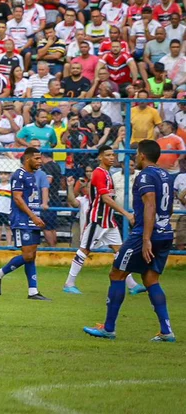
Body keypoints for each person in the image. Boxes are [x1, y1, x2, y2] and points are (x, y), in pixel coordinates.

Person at [85, 139, 176, 342]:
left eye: (136, 154)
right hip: (165, 232)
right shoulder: (166, 175)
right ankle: (167, 331)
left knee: (116, 274)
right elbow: (167, 207)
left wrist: (145, 238)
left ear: (142, 155)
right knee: (151, 279)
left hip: (146, 234)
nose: (135, 157)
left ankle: (108, 328)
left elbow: (150, 205)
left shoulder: (145, 176)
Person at [63, 146, 143, 295]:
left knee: (120, 251)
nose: (112, 157)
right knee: (84, 250)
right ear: (100, 157)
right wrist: (127, 213)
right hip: (97, 219)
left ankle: (132, 285)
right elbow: (105, 198)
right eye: (108, 155)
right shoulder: (99, 174)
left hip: (108, 220)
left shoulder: (107, 174)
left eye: (113, 155)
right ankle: (69, 283)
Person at [0, 147, 50, 300]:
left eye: (40, 158)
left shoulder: (32, 175)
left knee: (31, 256)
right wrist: (33, 217)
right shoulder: (19, 174)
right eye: (37, 158)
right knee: (28, 255)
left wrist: (37, 216)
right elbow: (17, 198)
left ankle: (33, 291)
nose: (40, 161)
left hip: (33, 219)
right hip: (22, 220)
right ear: (28, 159)